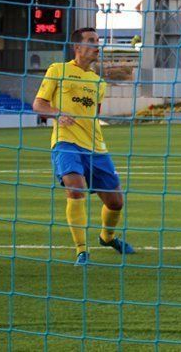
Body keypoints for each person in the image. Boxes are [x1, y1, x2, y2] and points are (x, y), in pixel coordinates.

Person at [32, 27, 135, 266]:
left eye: (98, 41)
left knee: (116, 202)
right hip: (66, 142)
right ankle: (81, 250)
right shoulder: (58, 70)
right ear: (77, 47)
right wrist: (58, 114)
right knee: (75, 188)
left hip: (96, 147)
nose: (96, 45)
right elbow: (38, 104)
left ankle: (107, 237)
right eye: (91, 41)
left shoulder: (98, 82)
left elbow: (93, 115)